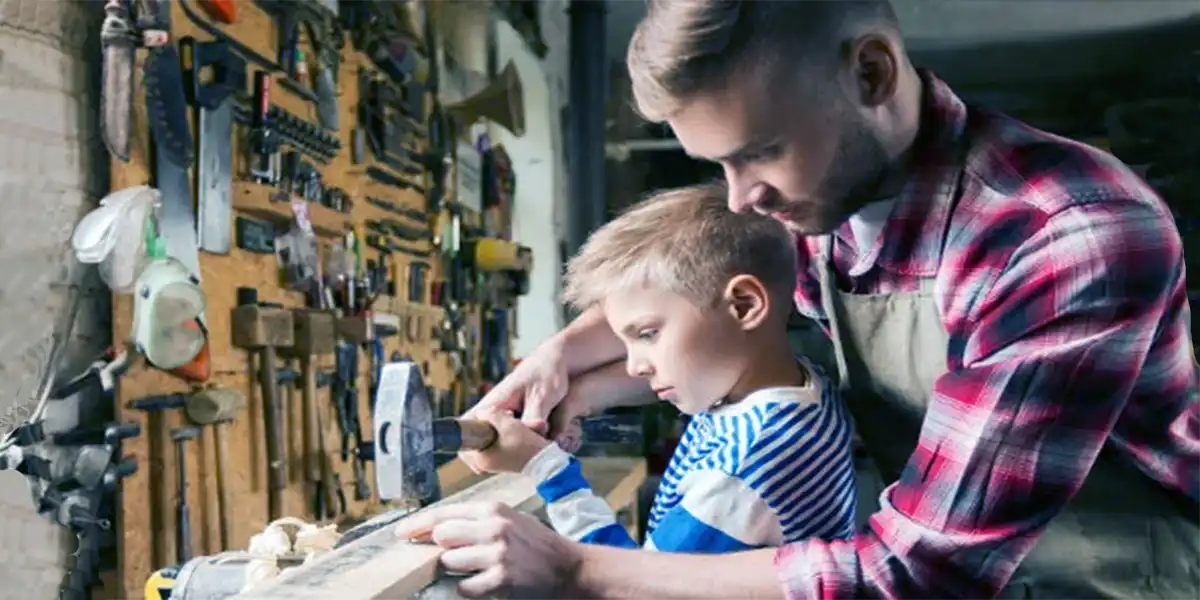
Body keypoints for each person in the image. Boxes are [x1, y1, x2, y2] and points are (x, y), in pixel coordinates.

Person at [396, 0, 1200, 598]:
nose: (741, 198)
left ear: (871, 74)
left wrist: (578, 569)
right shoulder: (831, 201)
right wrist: (561, 364)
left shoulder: (1062, 237)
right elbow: (706, 301)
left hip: (1106, 579)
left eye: (760, 152)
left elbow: (918, 571)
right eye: (720, 165)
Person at [447, 184, 858, 554]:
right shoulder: (794, 385)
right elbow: (699, 363)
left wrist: (545, 469)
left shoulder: (745, 474)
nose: (633, 365)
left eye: (647, 333)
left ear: (744, 305)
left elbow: (630, 586)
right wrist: (581, 395)